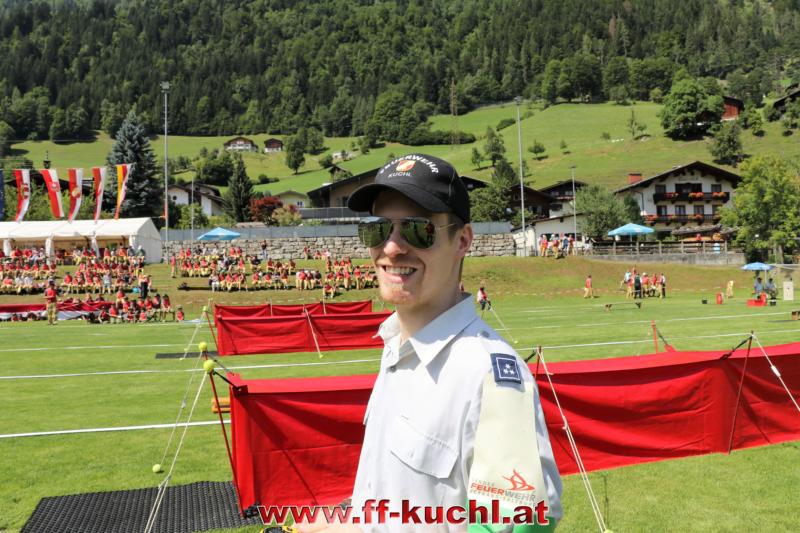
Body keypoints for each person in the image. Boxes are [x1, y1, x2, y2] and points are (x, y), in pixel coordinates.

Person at [299, 154, 562, 532]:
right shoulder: (396, 347)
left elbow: (523, 522)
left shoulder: (487, 374)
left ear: (463, 240)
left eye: (417, 229)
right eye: (377, 229)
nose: (391, 247)